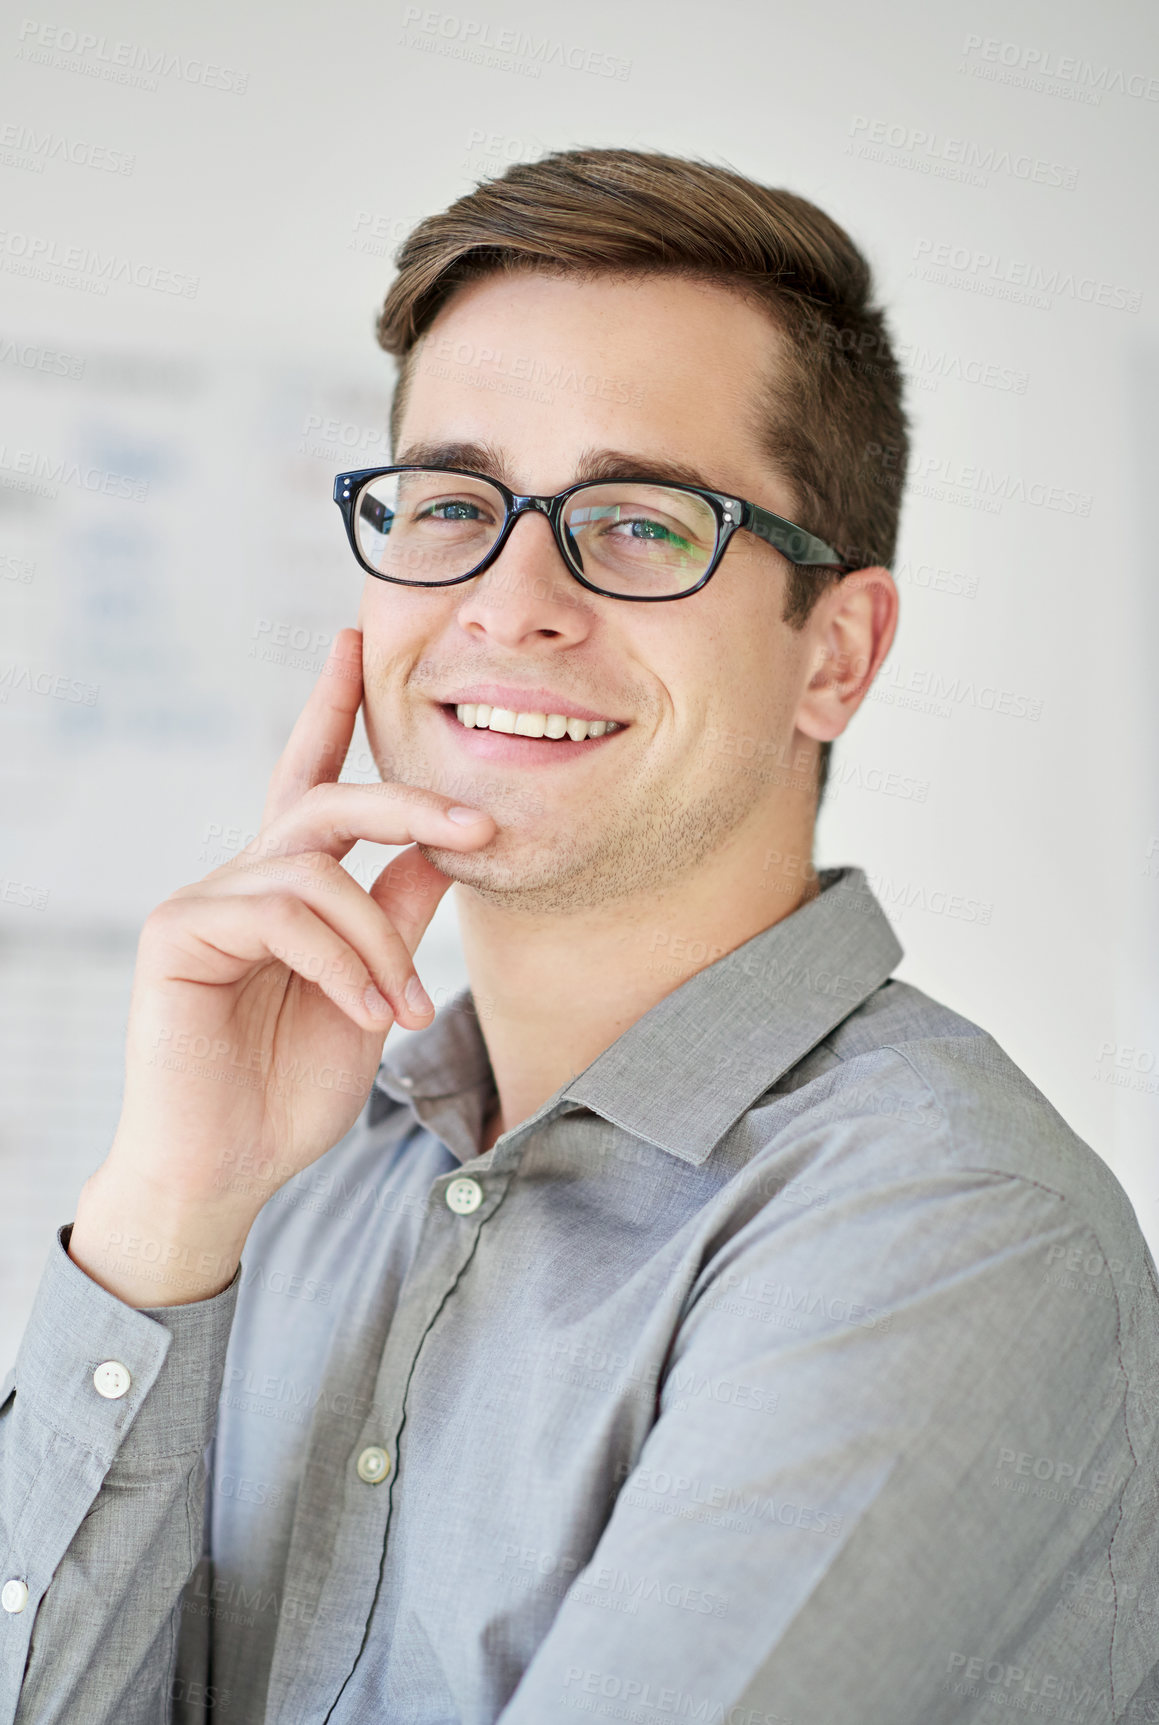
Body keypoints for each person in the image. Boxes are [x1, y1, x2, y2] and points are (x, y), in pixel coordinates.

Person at [2, 148, 1156, 1725]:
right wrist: (162, 1223)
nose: (510, 598)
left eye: (639, 521)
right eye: (455, 503)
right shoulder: (303, 1173)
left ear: (836, 652)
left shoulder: (947, 1224)